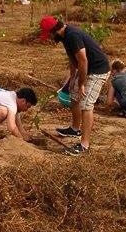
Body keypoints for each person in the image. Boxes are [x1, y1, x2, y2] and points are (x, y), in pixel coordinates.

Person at [39, 16, 110, 155]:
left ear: (55, 31)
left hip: (97, 71)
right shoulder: (65, 36)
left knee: (86, 105)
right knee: (74, 96)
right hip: (87, 69)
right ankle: (75, 129)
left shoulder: (72, 35)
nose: (50, 38)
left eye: (50, 35)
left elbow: (83, 60)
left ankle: (84, 144)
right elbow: (73, 59)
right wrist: (72, 78)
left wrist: (82, 83)